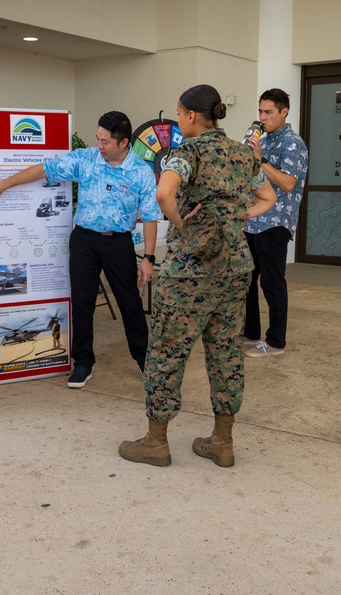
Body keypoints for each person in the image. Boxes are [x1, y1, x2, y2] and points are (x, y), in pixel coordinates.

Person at [119, 84, 277, 468]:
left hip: (189, 271)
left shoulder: (187, 152)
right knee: (226, 353)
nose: (177, 120)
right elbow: (268, 199)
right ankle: (222, 441)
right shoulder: (243, 154)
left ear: (191, 115)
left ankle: (156, 442)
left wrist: (181, 225)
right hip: (234, 268)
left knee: (167, 352)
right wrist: (240, 217)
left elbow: (163, 194)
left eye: (178, 113)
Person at [0, 111, 160, 388]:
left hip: (118, 243)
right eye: (98, 139)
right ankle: (83, 363)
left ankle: (145, 362)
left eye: (105, 142)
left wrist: (148, 258)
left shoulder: (141, 171)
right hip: (84, 241)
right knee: (82, 303)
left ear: (124, 142)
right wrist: (5, 184)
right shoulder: (86, 159)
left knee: (131, 305)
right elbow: (45, 169)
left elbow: (150, 217)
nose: (99, 146)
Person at [242, 88, 308, 359]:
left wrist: (262, 161)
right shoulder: (262, 140)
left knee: (272, 283)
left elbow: (288, 183)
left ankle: (276, 342)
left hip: (275, 222)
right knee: (246, 279)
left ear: (284, 112)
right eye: (260, 111)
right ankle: (250, 332)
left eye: (268, 112)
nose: (263, 117)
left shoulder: (293, 143)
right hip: (251, 220)